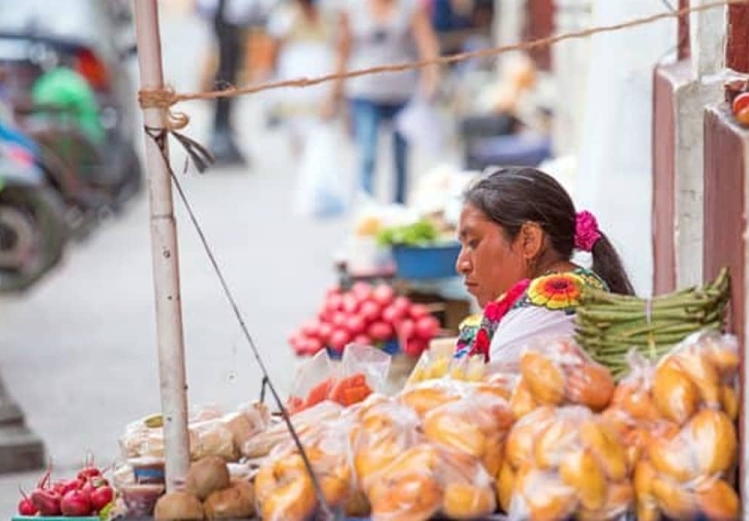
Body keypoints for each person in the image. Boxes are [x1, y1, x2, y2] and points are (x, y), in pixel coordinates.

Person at [454, 167, 634, 370]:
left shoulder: (544, 312)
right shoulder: (579, 290)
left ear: (529, 240)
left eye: (473, 243)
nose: (461, 264)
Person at [325, 0, 441, 204]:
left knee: (401, 159)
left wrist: (431, 79)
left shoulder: (409, 8)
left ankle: (399, 209)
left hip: (402, 92)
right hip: (365, 92)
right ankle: (365, 208)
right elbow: (342, 52)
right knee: (367, 154)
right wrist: (333, 94)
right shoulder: (352, 9)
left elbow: (427, 44)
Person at [197, 0, 277, 166]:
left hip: (233, 24)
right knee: (225, 75)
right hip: (226, 23)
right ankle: (220, 132)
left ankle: (224, 129)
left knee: (231, 76)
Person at [265, 0, 334, 157]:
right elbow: (273, 54)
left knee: (319, 142)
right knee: (299, 143)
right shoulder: (285, 16)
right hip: (295, 88)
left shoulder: (327, 15)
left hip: (321, 88)